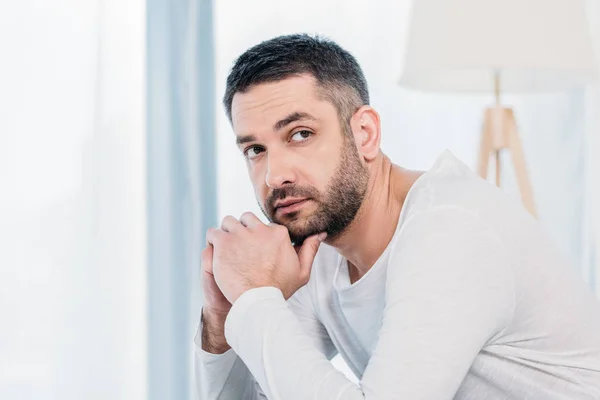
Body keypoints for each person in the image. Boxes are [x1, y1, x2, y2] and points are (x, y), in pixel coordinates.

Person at [194, 34, 600, 399]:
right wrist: (223, 319)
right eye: (255, 150)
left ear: (365, 133)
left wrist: (255, 299)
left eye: (300, 134)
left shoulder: (450, 230)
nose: (274, 174)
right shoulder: (320, 244)